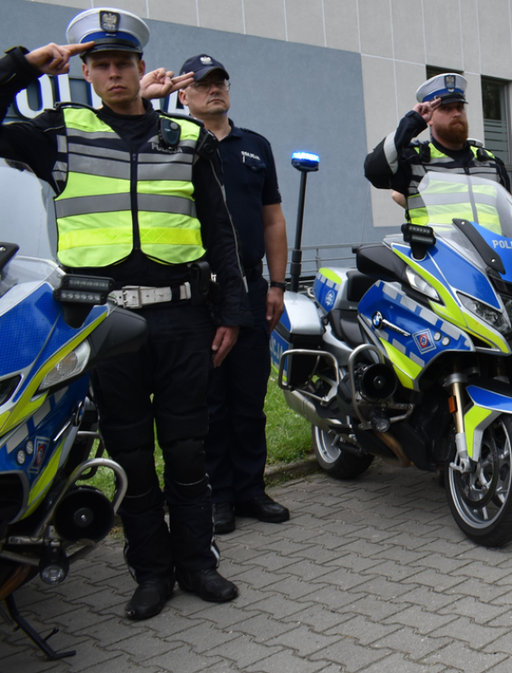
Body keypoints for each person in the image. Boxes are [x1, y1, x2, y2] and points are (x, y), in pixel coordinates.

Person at [0, 8, 248, 620]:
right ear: (85, 71)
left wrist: (233, 310)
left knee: (188, 449)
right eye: (102, 64)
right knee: (132, 455)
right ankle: (150, 571)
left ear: (142, 69)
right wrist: (21, 67)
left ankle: (197, 564)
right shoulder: (58, 131)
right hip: (103, 327)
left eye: (124, 63)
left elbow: (221, 232)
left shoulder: (186, 138)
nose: (114, 74)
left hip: (184, 318)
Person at [176, 54, 290, 534]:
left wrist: (278, 285)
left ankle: (250, 490)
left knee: (247, 397)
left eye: (220, 82)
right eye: (203, 84)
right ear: (184, 95)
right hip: (197, 291)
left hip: (249, 285)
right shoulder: (175, 144)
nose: (214, 89)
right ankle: (216, 495)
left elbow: (272, 220)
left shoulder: (255, 146)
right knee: (210, 402)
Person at [363, 72, 512, 218]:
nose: (456, 113)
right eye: (446, 108)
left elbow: (509, 216)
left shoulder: (490, 163)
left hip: (488, 244)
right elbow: (375, 170)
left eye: (459, 107)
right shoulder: (415, 161)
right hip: (433, 243)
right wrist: (412, 122)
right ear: (429, 118)